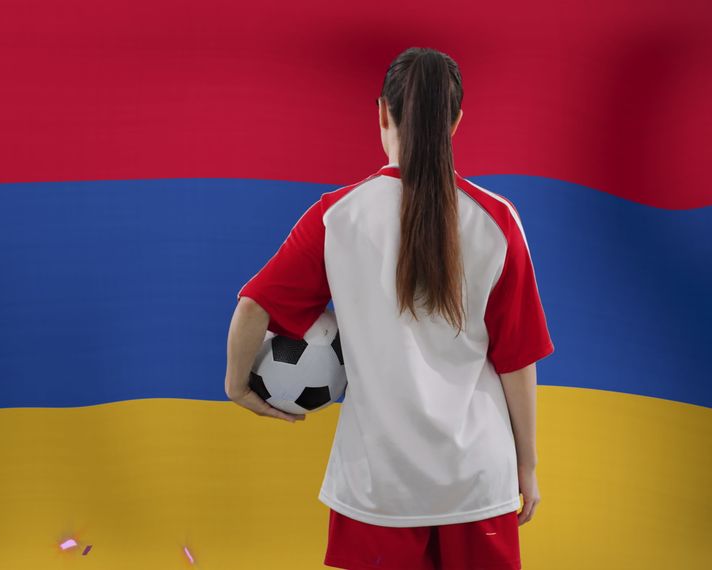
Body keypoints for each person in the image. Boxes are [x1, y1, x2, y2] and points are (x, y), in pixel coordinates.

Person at [223, 47, 553, 569]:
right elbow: (516, 359)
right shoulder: (497, 221)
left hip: (376, 485)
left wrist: (237, 386)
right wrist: (527, 467)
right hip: (476, 480)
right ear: (457, 120)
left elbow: (253, 307)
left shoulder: (338, 217)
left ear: (382, 112)